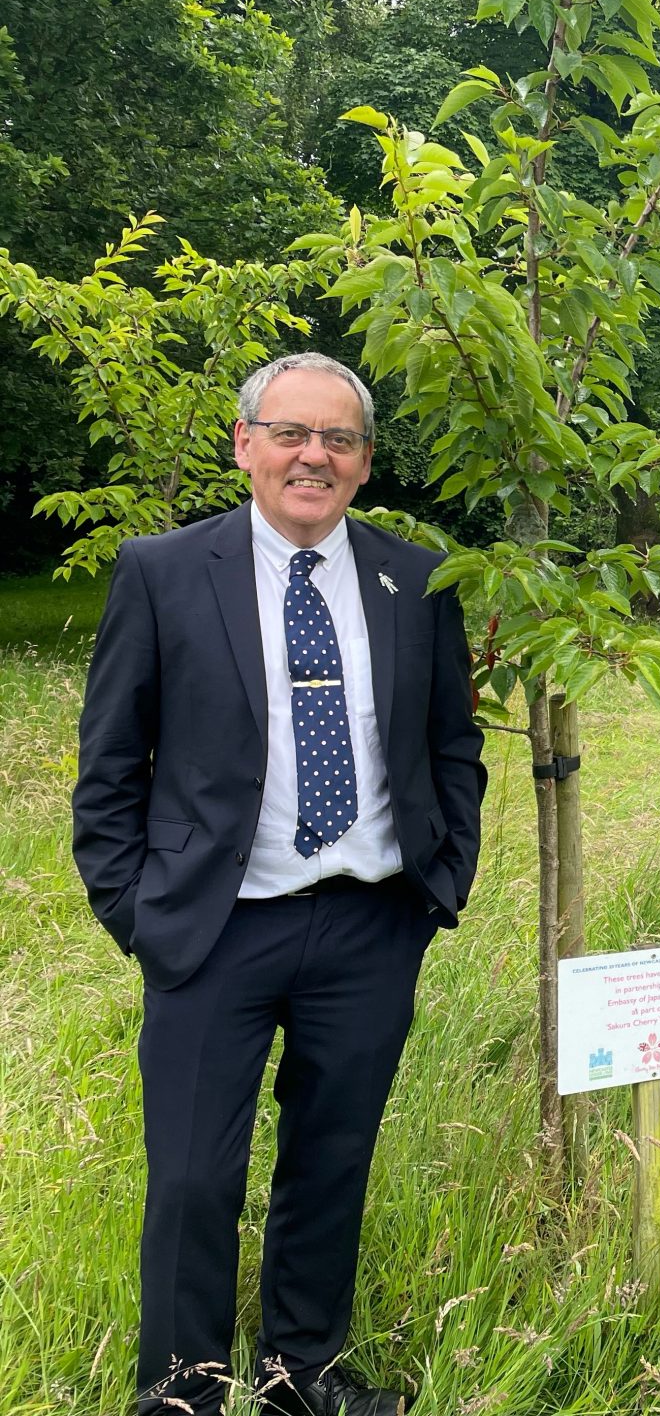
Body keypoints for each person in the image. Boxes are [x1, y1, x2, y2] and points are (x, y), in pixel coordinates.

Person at [72, 352, 488, 1416]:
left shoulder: (415, 576)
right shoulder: (164, 571)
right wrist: (136, 911)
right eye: (292, 433)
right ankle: (182, 1392)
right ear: (245, 442)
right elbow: (111, 766)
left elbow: (451, 745)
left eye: (338, 439)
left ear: (363, 461)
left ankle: (303, 1376)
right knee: (194, 1181)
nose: (314, 455)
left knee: (330, 1160)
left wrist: (439, 884)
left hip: (369, 924)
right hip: (214, 930)